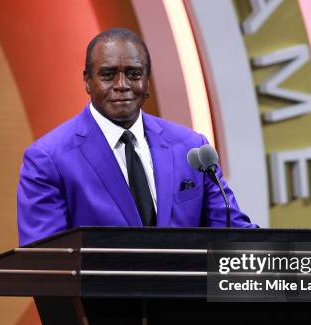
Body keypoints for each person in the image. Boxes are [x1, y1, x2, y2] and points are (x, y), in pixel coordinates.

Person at [17, 28, 255, 246]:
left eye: (133, 74)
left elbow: (234, 234)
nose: (122, 85)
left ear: (147, 82)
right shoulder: (48, 159)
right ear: (87, 82)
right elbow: (46, 262)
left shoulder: (191, 149)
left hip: (186, 292)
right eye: (108, 75)